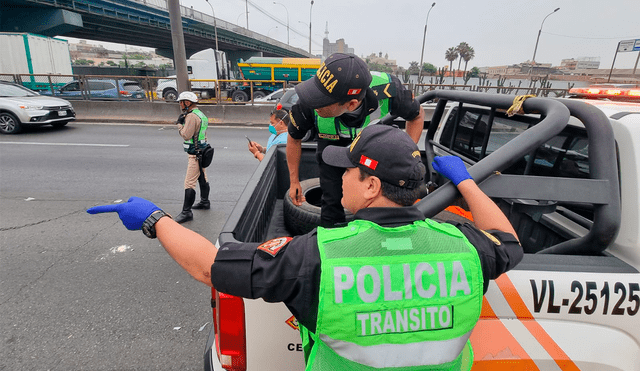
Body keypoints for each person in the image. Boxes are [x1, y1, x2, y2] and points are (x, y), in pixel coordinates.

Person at [87, 124, 522, 370]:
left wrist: (155, 220)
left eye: (347, 173)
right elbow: (509, 243)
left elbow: (210, 268)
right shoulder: (464, 246)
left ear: (371, 186)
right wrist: (465, 180)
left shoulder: (320, 255)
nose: (338, 180)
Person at [287, 52, 426, 228]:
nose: (313, 103)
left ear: (351, 104)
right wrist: (294, 181)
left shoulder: (389, 89)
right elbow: (294, 137)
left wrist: (404, 157)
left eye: (321, 101)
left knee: (382, 201)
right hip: (332, 146)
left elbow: (417, 115)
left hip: (372, 146)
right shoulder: (308, 101)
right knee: (331, 201)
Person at [175, 91, 210, 223]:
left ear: (187, 103)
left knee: (189, 183)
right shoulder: (201, 114)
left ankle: (186, 212)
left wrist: (179, 124)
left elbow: (186, 135)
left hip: (195, 154)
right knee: (202, 176)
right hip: (202, 150)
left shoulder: (191, 117)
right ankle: (205, 202)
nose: (179, 104)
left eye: (181, 102)